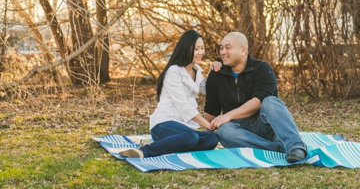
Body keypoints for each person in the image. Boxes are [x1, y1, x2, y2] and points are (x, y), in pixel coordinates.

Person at [202, 32, 308, 163]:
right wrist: (205, 135)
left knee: (270, 101)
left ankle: (296, 147)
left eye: (228, 48)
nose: (223, 52)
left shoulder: (262, 68)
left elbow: (259, 101)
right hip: (239, 131)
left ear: (243, 50)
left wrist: (228, 115)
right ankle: (277, 148)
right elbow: (212, 108)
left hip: (265, 124)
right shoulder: (217, 74)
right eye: (221, 48)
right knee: (224, 131)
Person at [119, 30, 219, 158]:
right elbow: (184, 107)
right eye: (196, 49)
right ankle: (145, 151)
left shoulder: (197, 70)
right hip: (164, 124)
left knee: (212, 139)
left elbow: (210, 91)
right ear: (186, 49)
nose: (201, 52)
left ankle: (168, 146)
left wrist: (214, 71)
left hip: (185, 128)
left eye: (202, 48)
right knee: (191, 137)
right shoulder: (174, 71)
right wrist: (208, 124)